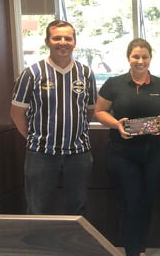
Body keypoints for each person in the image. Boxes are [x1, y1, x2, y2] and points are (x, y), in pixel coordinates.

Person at [94, 38, 160, 256]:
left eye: (144, 57)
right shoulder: (114, 84)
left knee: (146, 202)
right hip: (123, 154)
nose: (140, 61)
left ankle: (142, 249)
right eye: (136, 56)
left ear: (150, 58)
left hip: (154, 153)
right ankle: (132, 253)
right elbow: (99, 112)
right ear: (129, 57)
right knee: (130, 203)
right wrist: (117, 125)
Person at [10, 19, 96, 215]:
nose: (63, 42)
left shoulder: (85, 73)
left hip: (78, 154)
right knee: (38, 210)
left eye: (68, 38)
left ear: (74, 42)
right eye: (57, 38)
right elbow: (16, 113)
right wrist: (35, 138)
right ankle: (39, 239)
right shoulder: (31, 73)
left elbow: (88, 110)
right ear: (47, 41)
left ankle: (72, 239)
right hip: (41, 154)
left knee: (78, 209)